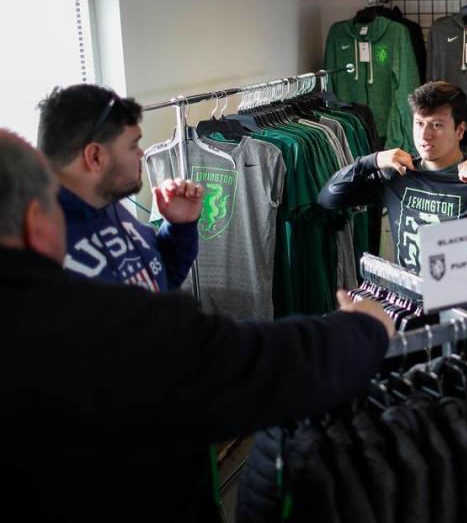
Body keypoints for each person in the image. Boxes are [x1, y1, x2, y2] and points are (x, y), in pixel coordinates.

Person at [0, 129, 395, 521]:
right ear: (37, 219)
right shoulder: (107, 321)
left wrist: (181, 229)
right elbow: (257, 366)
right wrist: (363, 329)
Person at [318, 81, 467, 273]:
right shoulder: (397, 176)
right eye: (419, 123)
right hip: (410, 306)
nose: (425, 135)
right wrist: (372, 161)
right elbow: (329, 199)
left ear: (459, 130)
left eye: (437, 125)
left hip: (464, 312)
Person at [37, 83, 203, 291]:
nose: (141, 154)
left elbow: (159, 281)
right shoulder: (39, 250)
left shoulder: (105, 203)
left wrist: (179, 227)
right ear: (96, 157)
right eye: (133, 145)